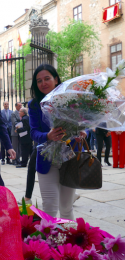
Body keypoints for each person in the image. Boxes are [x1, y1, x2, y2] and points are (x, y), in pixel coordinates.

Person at [28, 64, 86, 220]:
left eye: (47, 78)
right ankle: (49, 243)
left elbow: (82, 122)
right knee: (49, 207)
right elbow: (33, 132)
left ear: (56, 79)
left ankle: (69, 243)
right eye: (39, 80)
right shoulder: (34, 105)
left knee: (66, 208)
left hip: (70, 159)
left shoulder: (71, 99)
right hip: (46, 159)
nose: (43, 83)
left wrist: (82, 131)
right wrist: (48, 136)